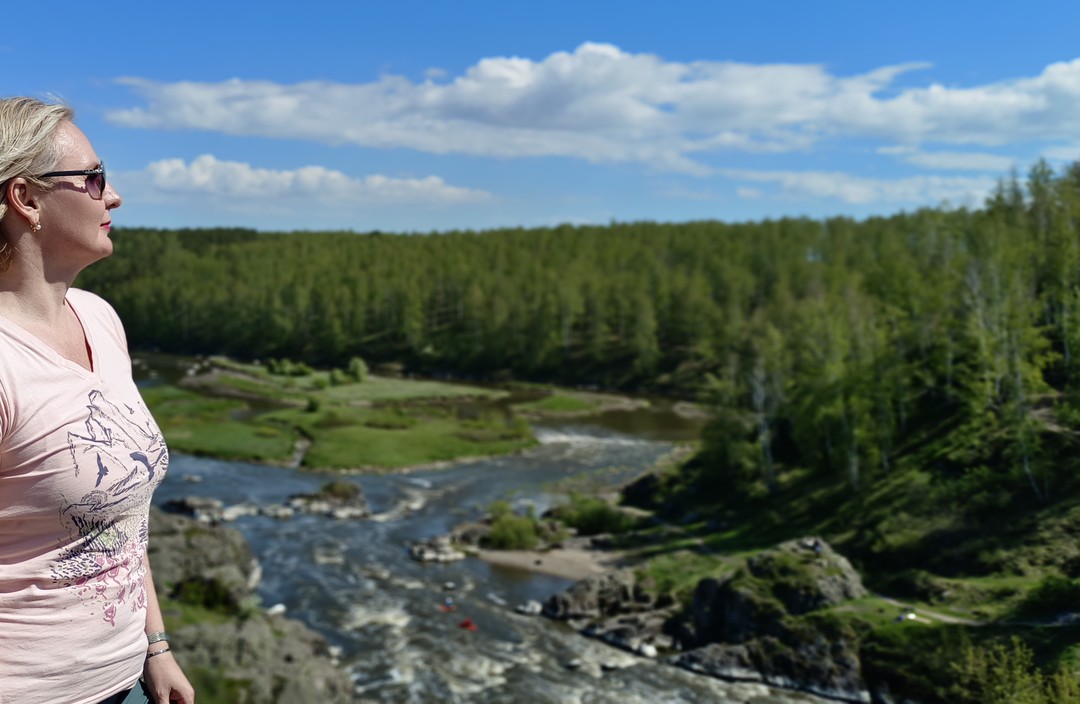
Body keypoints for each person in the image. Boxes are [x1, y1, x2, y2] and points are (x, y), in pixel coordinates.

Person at [0, 97, 195, 704]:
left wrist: (155, 647)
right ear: (26, 199)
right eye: (93, 178)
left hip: (125, 678)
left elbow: (123, 517)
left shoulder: (99, 318)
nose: (112, 196)